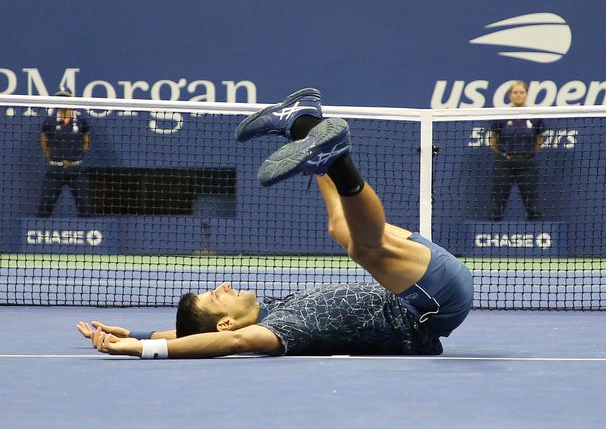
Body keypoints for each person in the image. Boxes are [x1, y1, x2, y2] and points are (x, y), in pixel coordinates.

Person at [77, 88, 474, 358]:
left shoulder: (269, 309)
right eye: (217, 297)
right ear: (228, 322)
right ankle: (333, 157)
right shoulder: (274, 331)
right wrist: (142, 350)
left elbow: (195, 334)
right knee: (362, 247)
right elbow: (223, 343)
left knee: (340, 228)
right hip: (434, 304)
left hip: (412, 284)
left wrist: (135, 333)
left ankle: (303, 123)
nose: (223, 285)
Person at [489, 81, 544, 221]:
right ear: (510, 95)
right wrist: (504, 155)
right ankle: (492, 231)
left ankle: (536, 231)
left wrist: (527, 155)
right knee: (497, 201)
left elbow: (538, 140)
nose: (518, 95)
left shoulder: (535, 117)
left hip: (527, 164)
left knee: (532, 201)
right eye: (515, 92)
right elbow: (493, 139)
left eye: (521, 92)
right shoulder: (501, 115)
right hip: (504, 164)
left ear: (526, 95)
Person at [37, 87, 92, 217]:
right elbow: (44, 142)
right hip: (55, 171)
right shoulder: (49, 121)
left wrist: (77, 157)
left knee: (86, 208)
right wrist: (53, 158)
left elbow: (86, 141)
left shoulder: (80, 120)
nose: (62, 100)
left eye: (65, 97)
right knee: (45, 206)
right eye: (60, 97)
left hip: (76, 170)